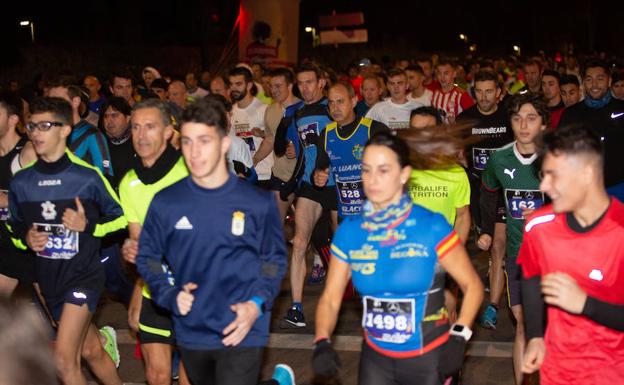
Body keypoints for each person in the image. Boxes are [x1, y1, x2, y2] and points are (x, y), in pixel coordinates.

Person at [135, 97, 287, 384]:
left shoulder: (256, 202)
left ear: (224, 144)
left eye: (204, 141)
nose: (194, 152)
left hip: (244, 327)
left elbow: (274, 261)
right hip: (193, 330)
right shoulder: (167, 203)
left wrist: (256, 303)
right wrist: (168, 294)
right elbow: (147, 257)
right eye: (188, 142)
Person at [313, 131, 483, 385]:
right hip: (375, 359)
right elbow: (330, 297)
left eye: (383, 170)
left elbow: (473, 287)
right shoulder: (351, 231)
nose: (372, 180)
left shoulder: (431, 226)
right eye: (367, 170)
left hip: (427, 357)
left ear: (404, 174)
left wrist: (459, 337)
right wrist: (322, 341)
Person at [8, 96, 126, 385]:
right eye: (32, 126)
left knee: (63, 361)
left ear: (65, 130)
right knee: (91, 350)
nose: (35, 132)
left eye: (45, 125)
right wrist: (27, 238)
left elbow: (121, 218)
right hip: (49, 280)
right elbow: (13, 226)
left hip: (83, 276)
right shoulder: (21, 183)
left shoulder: (86, 178)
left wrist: (89, 225)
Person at [518, 125, 624, 384]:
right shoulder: (538, 226)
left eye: (553, 176)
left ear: (587, 174)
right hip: (557, 369)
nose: (544, 186)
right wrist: (535, 337)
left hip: (613, 371)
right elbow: (531, 276)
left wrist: (584, 304)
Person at [119, 98, 190, 385]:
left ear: (168, 132)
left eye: (150, 127)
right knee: (156, 375)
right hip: (156, 292)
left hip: (196, 290)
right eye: (135, 127)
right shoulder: (129, 184)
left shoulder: (191, 173)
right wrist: (138, 290)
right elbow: (141, 246)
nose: (141, 135)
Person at [478, 93, 548, 385]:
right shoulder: (499, 158)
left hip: (554, 257)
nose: (523, 124)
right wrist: (485, 229)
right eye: (517, 118)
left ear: (543, 124)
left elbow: (576, 202)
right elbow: (488, 192)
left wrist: (546, 210)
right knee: (523, 323)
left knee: (549, 328)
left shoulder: (556, 157)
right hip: (518, 255)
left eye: (531, 118)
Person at [276, 63, 336, 329]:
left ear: (321, 82)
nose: (305, 87)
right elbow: (300, 153)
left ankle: (350, 298)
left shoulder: (333, 108)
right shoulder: (297, 113)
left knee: (341, 245)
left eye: (310, 82)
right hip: (309, 184)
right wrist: (292, 181)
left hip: (336, 183)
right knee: (299, 242)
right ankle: (297, 307)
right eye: (301, 83)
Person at [457, 70, 514, 330]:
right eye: (479, 91)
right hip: (478, 193)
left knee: (497, 246)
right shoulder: (465, 119)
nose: (484, 96)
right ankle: (493, 281)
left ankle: (492, 306)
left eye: (489, 91)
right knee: (486, 247)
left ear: (499, 93)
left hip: (504, 191)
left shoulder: (510, 117)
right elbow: (455, 152)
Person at [313, 82, 388, 219]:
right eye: (331, 103)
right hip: (346, 215)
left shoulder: (374, 130)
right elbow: (320, 167)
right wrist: (317, 177)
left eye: (340, 102)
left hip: (377, 214)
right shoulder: (326, 134)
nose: (335, 108)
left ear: (353, 101)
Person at [558, 59, 624, 201]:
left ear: (609, 80)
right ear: (583, 82)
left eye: (600, 79)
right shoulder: (571, 114)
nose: (594, 84)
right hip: (584, 190)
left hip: (619, 188)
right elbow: (561, 152)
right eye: (589, 79)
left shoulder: (622, 109)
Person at [0, 91, 36, 298]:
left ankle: (102, 333)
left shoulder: (28, 152)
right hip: (5, 246)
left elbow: (47, 199)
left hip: (32, 247)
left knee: (58, 317)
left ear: (13, 119)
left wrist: (8, 200)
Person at [257, 68, 300, 220]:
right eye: (271, 86)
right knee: (274, 223)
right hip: (280, 175)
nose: (273, 90)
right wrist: (254, 160)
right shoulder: (270, 110)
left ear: (289, 86)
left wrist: (299, 149)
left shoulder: (303, 108)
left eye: (278, 86)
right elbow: (270, 140)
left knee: (305, 230)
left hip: (303, 177)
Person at [48, 77, 113, 177]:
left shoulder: (92, 135)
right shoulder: (47, 133)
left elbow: (106, 176)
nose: (53, 106)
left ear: (76, 102)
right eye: (50, 101)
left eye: (59, 101)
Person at [229, 67, 273, 185]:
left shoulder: (264, 110)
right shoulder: (230, 113)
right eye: (231, 84)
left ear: (249, 85)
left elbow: (274, 138)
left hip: (264, 175)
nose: (233, 88)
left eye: (238, 84)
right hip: (242, 176)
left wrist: (263, 134)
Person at [365, 68, 422, 133]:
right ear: (387, 86)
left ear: (407, 85)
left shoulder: (418, 108)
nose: (396, 87)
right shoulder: (378, 108)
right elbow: (364, 130)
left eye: (400, 83)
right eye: (392, 84)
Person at [431, 58, 475, 123]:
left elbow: (472, 119)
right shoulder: (435, 94)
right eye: (439, 73)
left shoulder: (462, 95)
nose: (442, 77)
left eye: (446, 73)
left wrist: (456, 123)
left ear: (454, 74)